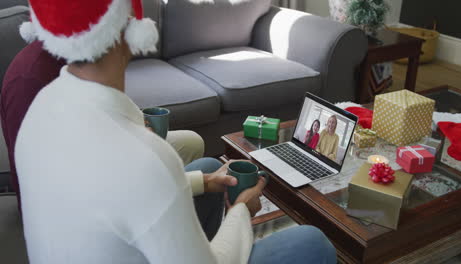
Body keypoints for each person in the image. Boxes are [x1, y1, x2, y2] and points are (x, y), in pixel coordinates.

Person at [14, 1, 337, 263]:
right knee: (311, 242)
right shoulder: (144, 158)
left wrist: (201, 182)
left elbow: (106, 193)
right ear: (128, 27)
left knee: (209, 169)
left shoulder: (42, 105)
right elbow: (133, 182)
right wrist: (241, 212)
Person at [0, 41, 204, 213]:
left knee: (191, 142)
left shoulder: (79, 54)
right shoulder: (30, 81)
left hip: (97, 155)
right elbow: (50, 177)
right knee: (207, 171)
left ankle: (175, 202)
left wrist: (132, 128)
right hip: (66, 200)